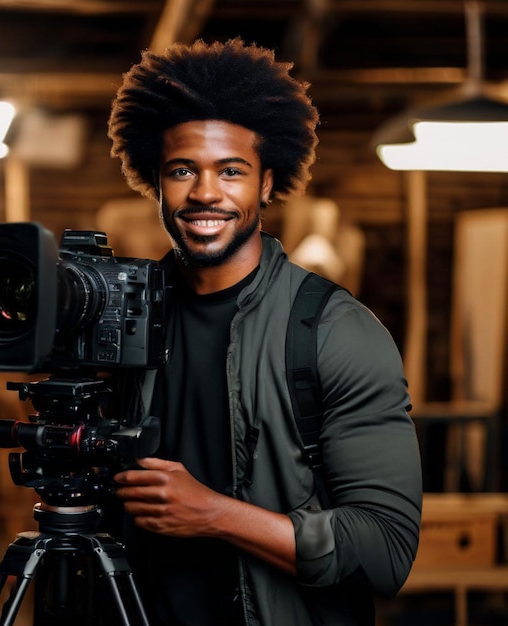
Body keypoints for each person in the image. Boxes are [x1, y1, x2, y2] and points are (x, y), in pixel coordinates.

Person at [108, 38, 422, 626]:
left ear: (268, 183)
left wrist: (214, 513)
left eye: (231, 171)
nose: (205, 192)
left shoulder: (336, 333)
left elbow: (385, 551)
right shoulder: (117, 316)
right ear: (155, 181)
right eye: (183, 170)